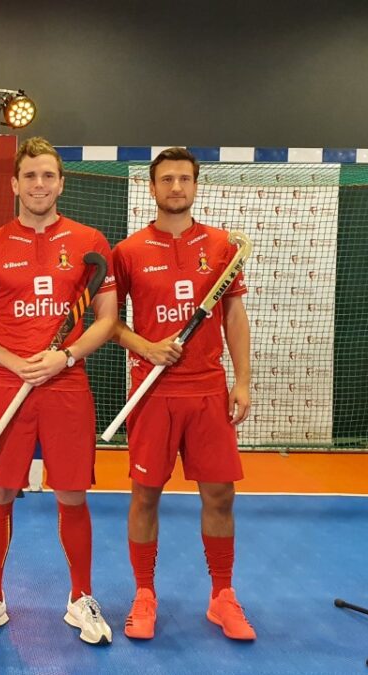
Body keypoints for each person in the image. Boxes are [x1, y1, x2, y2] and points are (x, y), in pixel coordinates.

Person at [0, 138, 118, 645]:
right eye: (30, 176)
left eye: (48, 176)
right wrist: (16, 363)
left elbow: (108, 320)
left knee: (72, 492)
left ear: (61, 183)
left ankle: (80, 598)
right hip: (8, 383)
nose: (39, 185)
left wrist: (64, 357)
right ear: (15, 183)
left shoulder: (90, 240)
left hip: (67, 383)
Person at [110, 146, 255, 641]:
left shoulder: (221, 248)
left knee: (220, 494)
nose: (176, 187)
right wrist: (146, 347)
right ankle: (144, 594)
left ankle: (222, 596)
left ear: (196, 185)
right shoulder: (127, 252)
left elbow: (233, 316)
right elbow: (109, 325)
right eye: (166, 179)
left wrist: (244, 380)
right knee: (145, 495)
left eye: (184, 179)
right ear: (151, 189)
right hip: (153, 395)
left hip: (208, 391)